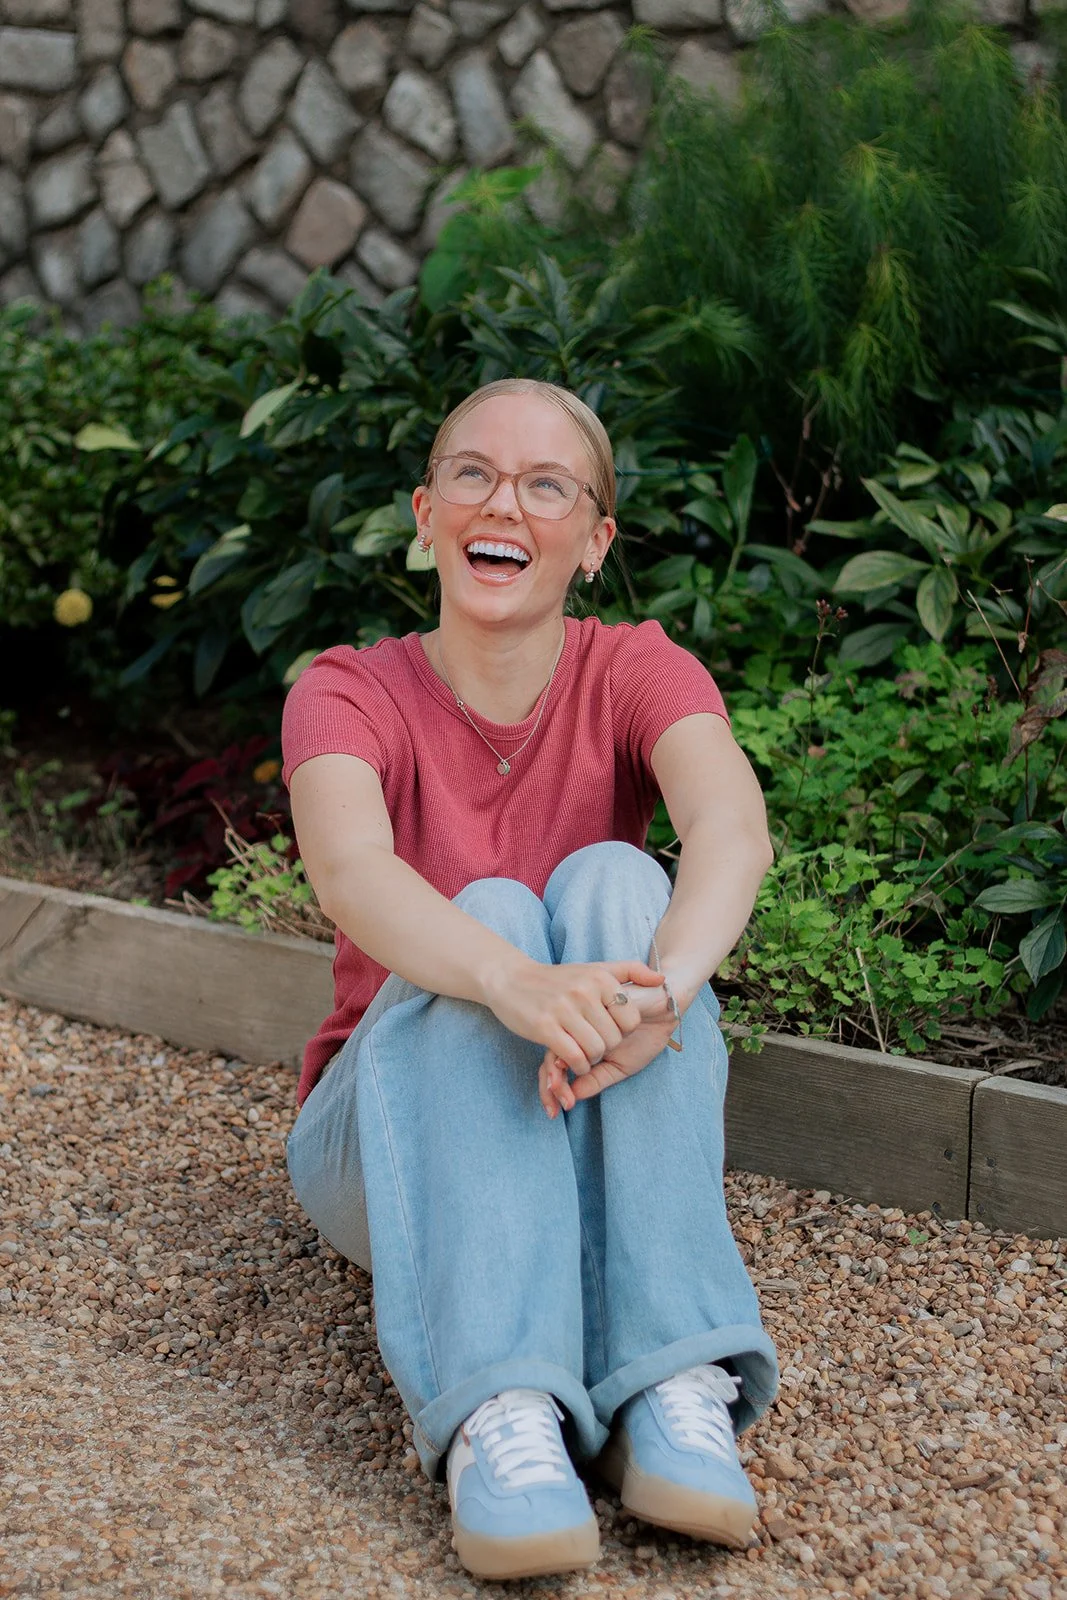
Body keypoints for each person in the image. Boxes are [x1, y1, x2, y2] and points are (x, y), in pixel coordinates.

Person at [280, 377, 779, 1582]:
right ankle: (502, 1414)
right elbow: (352, 873)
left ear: (595, 541)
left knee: (622, 877)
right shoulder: (347, 688)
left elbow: (730, 826)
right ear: (424, 512)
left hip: (585, 1095)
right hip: (382, 1138)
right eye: (472, 474)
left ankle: (667, 1382)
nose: (502, 501)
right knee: (489, 906)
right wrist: (510, 979)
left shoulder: (633, 667)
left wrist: (662, 993)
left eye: (545, 484)